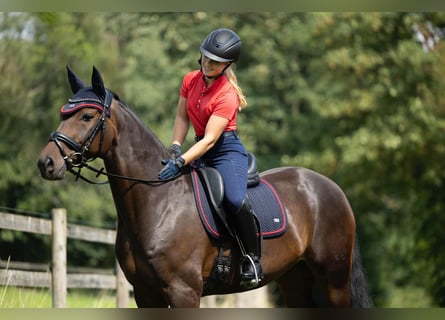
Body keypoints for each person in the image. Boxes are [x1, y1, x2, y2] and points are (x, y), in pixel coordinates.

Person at [158, 28, 263, 287]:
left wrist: (182, 161)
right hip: (198, 148)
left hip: (225, 152)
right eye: (204, 57)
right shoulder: (189, 79)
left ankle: (252, 258)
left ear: (226, 65)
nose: (206, 63)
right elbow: (182, 117)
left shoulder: (227, 95)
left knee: (234, 199)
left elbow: (210, 140)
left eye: (214, 61)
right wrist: (174, 146)